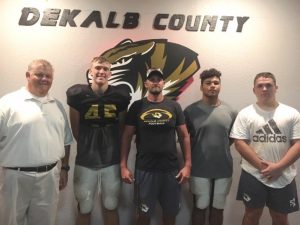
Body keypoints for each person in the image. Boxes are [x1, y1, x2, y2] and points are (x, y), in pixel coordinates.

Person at [0, 59, 73, 225]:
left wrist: (64, 168)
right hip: (15, 177)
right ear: (28, 75)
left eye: (48, 76)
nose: (44, 79)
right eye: (39, 74)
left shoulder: (57, 105)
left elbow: (66, 141)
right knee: (10, 221)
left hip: (49, 177)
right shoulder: (8, 103)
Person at [120, 68, 192, 225]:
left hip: (171, 170)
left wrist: (187, 165)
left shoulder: (174, 106)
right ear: (146, 83)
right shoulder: (137, 107)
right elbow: (126, 137)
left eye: (158, 79)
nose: (155, 82)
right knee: (143, 216)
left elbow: (184, 136)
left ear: (163, 83)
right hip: (145, 170)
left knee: (170, 215)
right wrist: (123, 166)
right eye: (151, 79)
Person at [66, 56, 131, 225]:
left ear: (110, 73)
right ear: (91, 71)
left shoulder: (120, 95)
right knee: (85, 206)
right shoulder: (78, 94)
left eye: (105, 69)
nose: (101, 71)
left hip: (111, 159)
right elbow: (76, 130)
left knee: (111, 205)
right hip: (86, 159)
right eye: (97, 68)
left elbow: (122, 128)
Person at [230, 72, 300, 225]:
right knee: (251, 215)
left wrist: (278, 167)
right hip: (254, 174)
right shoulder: (245, 113)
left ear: (276, 88)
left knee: (281, 217)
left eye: (268, 85)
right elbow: (239, 143)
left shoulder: (292, 113)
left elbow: (298, 143)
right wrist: (264, 168)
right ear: (254, 90)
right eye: (260, 86)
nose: (264, 88)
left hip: (283, 175)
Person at [184, 68, 236, 225]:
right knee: (200, 206)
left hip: (223, 168)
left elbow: (232, 139)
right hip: (198, 168)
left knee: (218, 208)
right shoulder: (190, 111)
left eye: (216, 83)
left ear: (220, 86)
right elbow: (184, 140)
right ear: (201, 87)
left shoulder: (231, 112)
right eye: (208, 83)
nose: (212, 86)